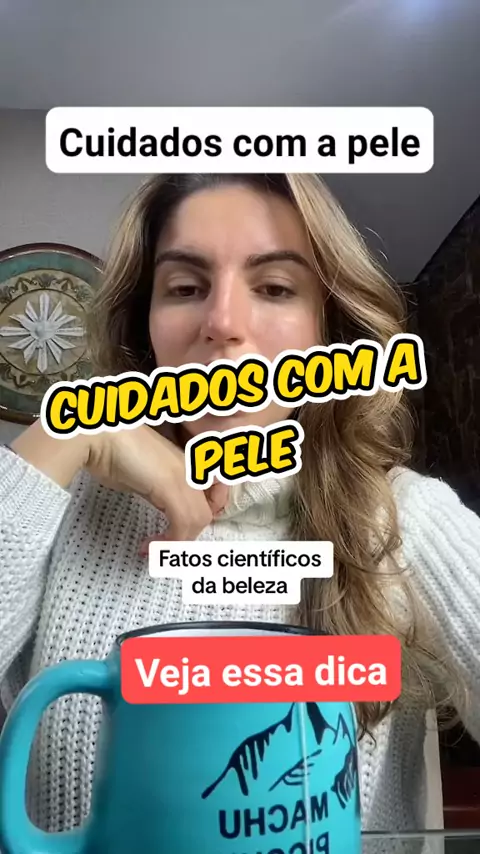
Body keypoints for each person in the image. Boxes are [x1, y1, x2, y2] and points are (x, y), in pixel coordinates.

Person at [0, 173, 479, 836]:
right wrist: (56, 440)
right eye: (185, 288)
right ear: (145, 331)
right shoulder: (57, 505)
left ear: (330, 334)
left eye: (275, 287)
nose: (222, 323)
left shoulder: (402, 520)